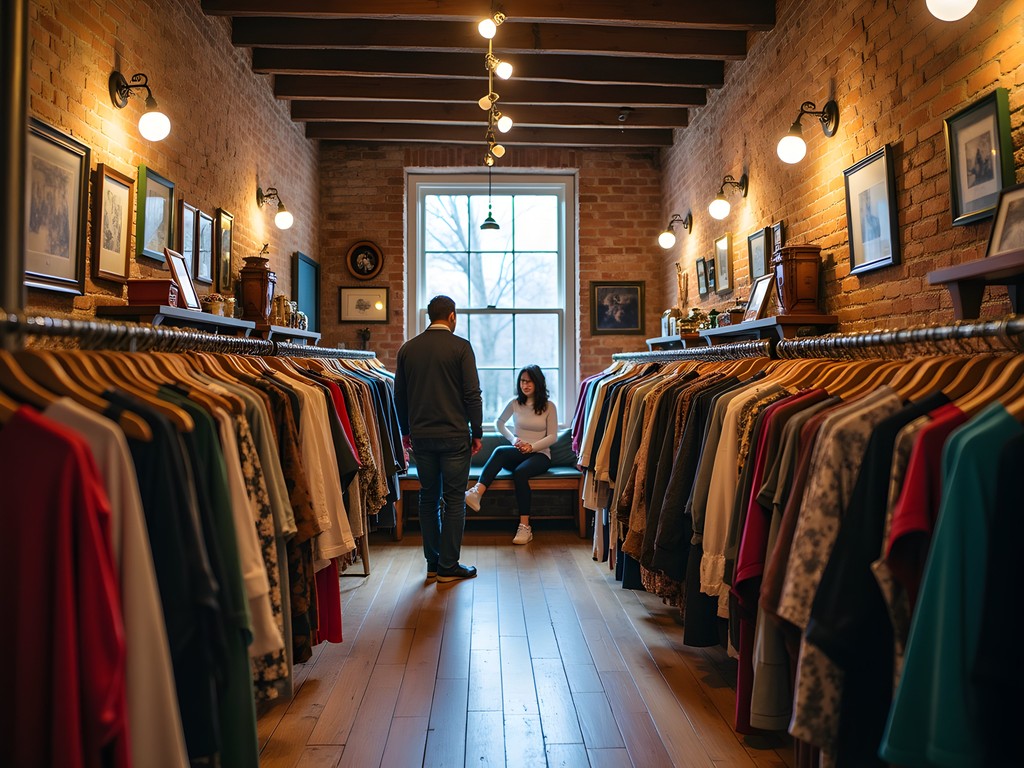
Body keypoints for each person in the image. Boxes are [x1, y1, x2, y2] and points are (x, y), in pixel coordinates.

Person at [395, 295, 483, 582]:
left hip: (421, 436)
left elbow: (400, 397)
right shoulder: (461, 347)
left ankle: (432, 564)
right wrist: (478, 431)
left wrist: (405, 431)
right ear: (452, 317)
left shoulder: (408, 349)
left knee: (428, 498)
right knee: (454, 499)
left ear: (429, 317)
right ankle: (448, 566)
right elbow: (472, 394)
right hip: (455, 436)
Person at [464, 365, 558, 545]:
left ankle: (525, 527)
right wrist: (514, 440)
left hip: (540, 455)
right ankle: (476, 493)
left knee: (520, 473)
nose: (525, 385)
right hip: (519, 451)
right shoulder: (515, 403)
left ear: (538, 383)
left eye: (529, 381)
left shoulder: (548, 406)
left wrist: (532, 446)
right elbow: (499, 423)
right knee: (500, 452)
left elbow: (553, 436)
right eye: (522, 381)